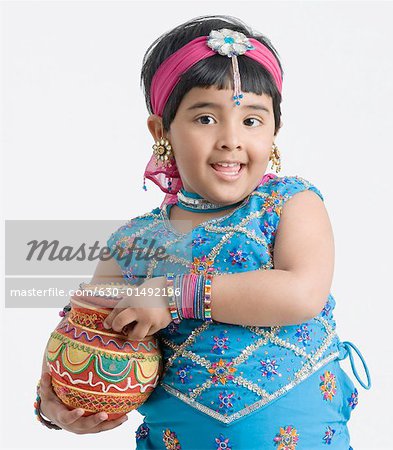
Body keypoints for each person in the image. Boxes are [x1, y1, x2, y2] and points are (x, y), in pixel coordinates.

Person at [36, 14, 372, 449]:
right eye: (205, 119)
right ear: (162, 132)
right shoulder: (132, 243)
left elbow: (300, 294)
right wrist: (55, 404)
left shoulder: (291, 204)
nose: (231, 139)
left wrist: (173, 295)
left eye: (252, 120)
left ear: (275, 132)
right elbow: (88, 336)